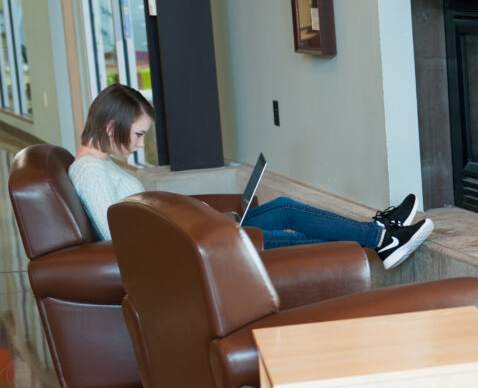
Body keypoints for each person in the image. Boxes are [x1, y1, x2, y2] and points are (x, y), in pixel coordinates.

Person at [68, 84, 431, 269]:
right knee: (280, 233)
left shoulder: (99, 165)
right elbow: (119, 237)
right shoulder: (88, 170)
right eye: (138, 135)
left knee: (286, 207)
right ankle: (381, 238)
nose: (139, 144)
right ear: (112, 125)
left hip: (193, 235)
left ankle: (379, 233)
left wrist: (193, 215)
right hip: (191, 248)